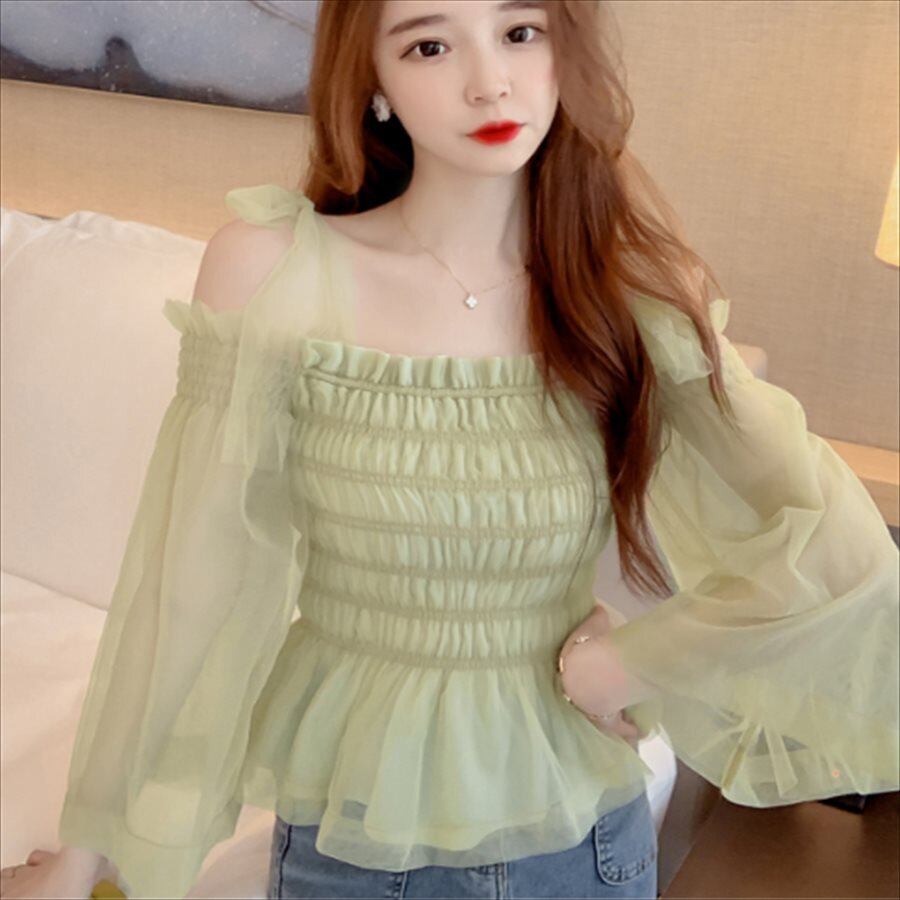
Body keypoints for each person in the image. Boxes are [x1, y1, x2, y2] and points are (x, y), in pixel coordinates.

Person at [5, 1, 898, 898]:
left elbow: (843, 559)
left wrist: (632, 660)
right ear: (374, 82)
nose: (489, 82)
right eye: (430, 45)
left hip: (580, 846)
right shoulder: (270, 272)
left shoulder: (632, 293)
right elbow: (192, 587)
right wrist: (86, 855)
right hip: (350, 847)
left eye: (519, 33)